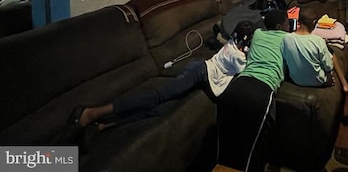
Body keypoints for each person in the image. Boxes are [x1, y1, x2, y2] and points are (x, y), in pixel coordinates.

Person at [70, 21, 254, 133]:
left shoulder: (231, 43)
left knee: (160, 110)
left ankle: (103, 126)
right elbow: (247, 69)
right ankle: (92, 112)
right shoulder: (237, 56)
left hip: (202, 75)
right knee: (157, 98)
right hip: (200, 71)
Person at [216, 8, 290, 172]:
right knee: (254, 151)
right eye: (287, 23)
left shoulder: (257, 34)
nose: (289, 26)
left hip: (236, 86)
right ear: (279, 26)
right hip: (261, 90)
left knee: (226, 145)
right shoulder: (288, 39)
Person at [282, 7, 348, 95]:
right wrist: (328, 78)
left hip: (296, 79)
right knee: (330, 52)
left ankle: (344, 85)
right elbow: (328, 66)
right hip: (317, 81)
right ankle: (345, 84)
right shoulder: (318, 41)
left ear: (298, 22)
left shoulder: (286, 38)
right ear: (314, 23)